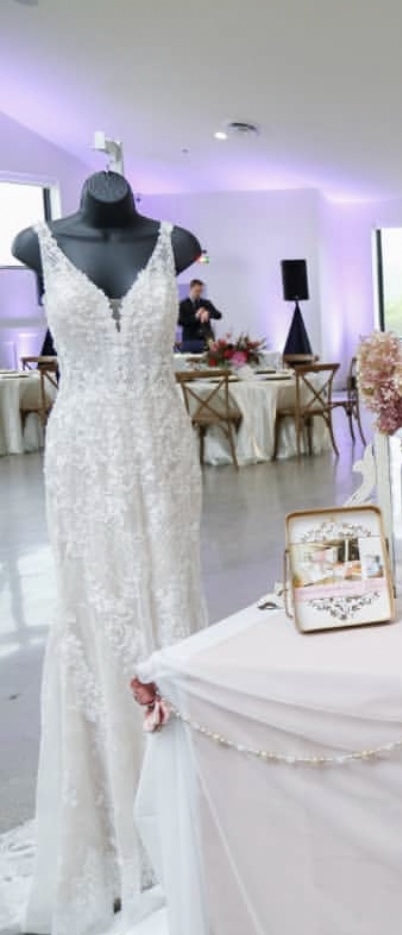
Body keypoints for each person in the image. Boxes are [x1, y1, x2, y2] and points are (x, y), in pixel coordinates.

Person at [11, 171, 208, 935]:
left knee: (167, 598)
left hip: (161, 445)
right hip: (84, 449)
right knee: (94, 613)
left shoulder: (175, 243)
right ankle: (107, 823)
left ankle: (178, 813)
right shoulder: (34, 242)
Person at [177, 277, 222, 352]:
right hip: (190, 341)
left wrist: (208, 313)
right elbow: (180, 322)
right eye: (197, 291)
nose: (199, 293)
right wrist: (196, 316)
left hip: (206, 340)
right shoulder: (182, 304)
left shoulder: (206, 303)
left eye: (201, 291)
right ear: (191, 289)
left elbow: (219, 315)